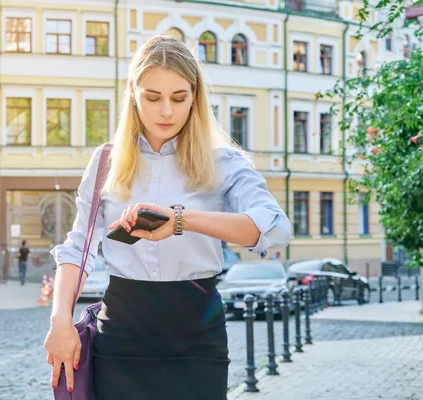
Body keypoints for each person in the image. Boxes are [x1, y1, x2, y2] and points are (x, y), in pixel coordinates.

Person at [44, 35, 291, 399]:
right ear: (133, 92)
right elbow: (78, 247)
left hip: (196, 336)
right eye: (152, 97)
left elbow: (277, 229)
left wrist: (181, 220)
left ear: (195, 96)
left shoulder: (224, 162)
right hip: (121, 336)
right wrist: (59, 320)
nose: (166, 112)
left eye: (179, 98)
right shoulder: (105, 163)